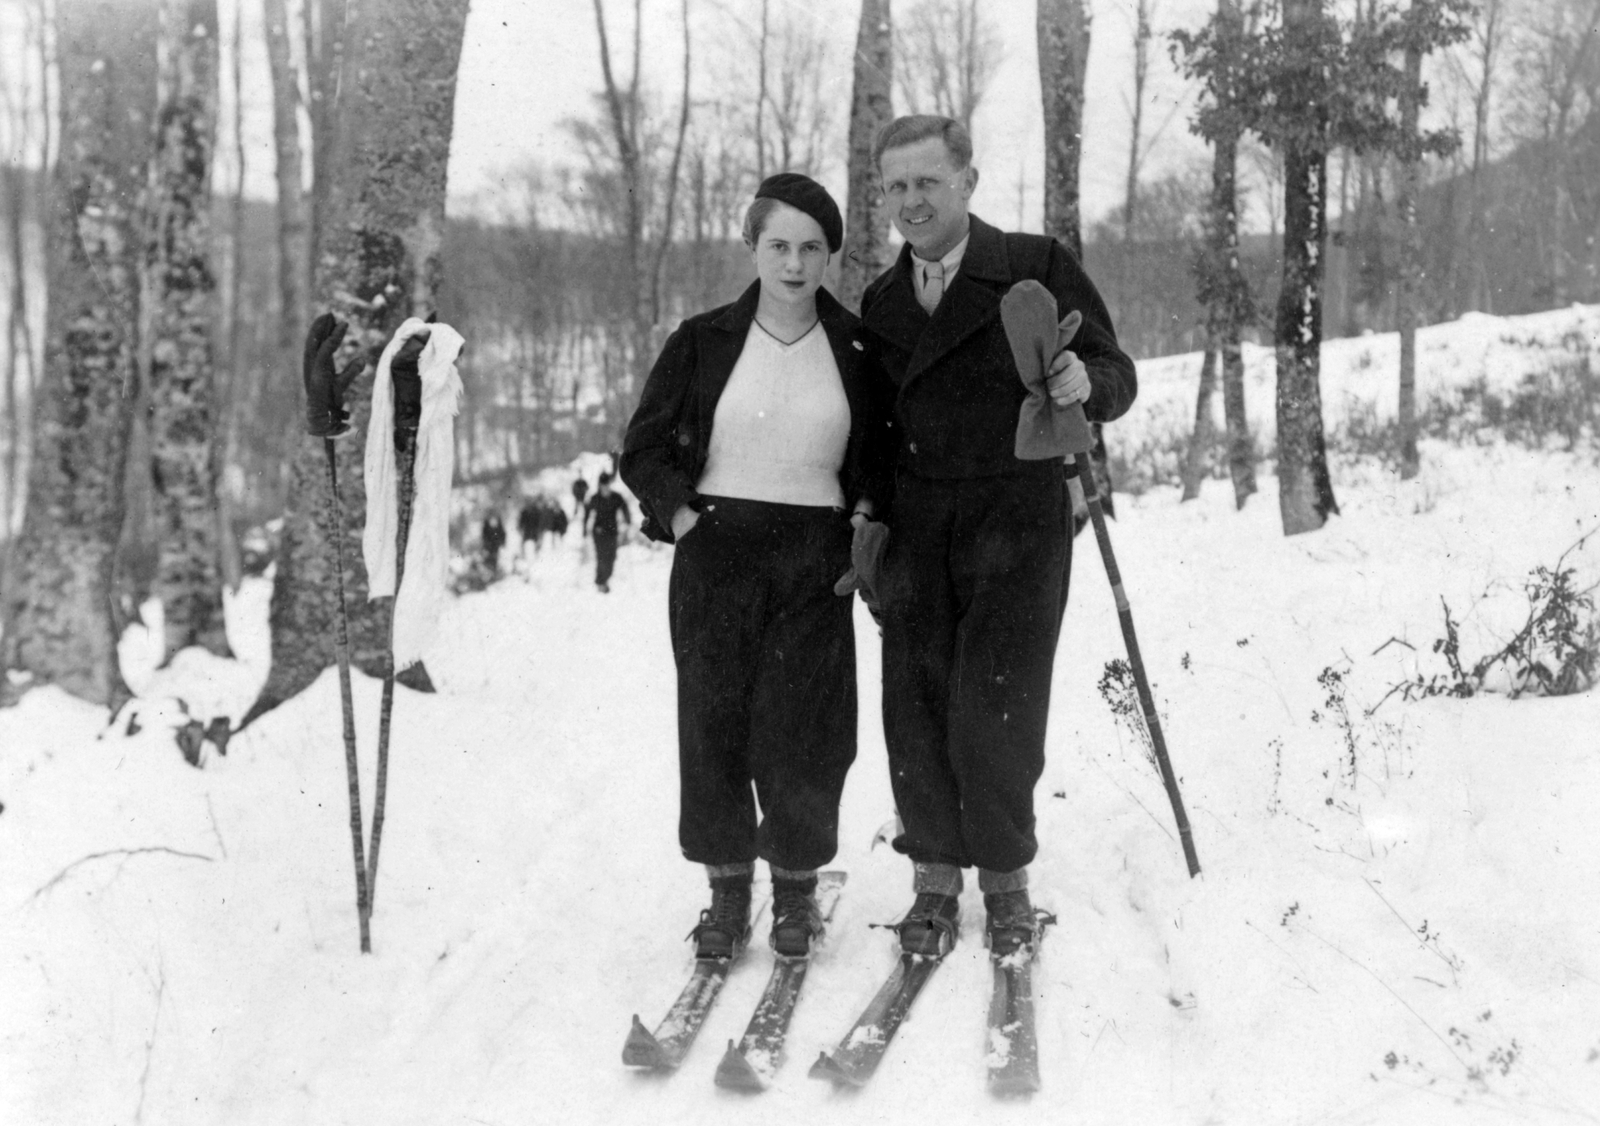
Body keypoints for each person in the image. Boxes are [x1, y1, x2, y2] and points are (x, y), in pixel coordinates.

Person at [858, 116, 1138, 959]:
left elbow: (1115, 376)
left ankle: (1008, 882)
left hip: (1016, 518)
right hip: (916, 525)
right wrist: (868, 516)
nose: (913, 201)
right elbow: (875, 431)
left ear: (968, 181)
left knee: (999, 702)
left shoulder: (1032, 266)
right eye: (898, 186)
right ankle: (935, 882)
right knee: (917, 704)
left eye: (929, 182)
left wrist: (1088, 380)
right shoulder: (881, 300)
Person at [621, 173, 893, 961]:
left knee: (804, 729)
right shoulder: (701, 340)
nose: (796, 263)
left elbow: (879, 457)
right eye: (779, 244)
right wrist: (681, 518)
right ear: (752, 246)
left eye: (813, 248)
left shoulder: (856, 347)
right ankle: (727, 892)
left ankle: (797, 892)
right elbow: (642, 447)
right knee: (714, 722)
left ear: (831, 257)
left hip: (815, 556)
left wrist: (866, 521)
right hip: (716, 550)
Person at [582, 473, 631, 592]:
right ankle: (600, 582)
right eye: (603, 485)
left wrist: (627, 521)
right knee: (602, 557)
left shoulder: (616, 497)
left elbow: (625, 507)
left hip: (612, 531)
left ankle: (604, 579)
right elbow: (587, 513)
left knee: (612, 557)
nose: (605, 487)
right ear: (599, 485)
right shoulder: (595, 498)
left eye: (607, 484)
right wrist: (584, 529)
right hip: (599, 532)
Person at [481, 511, 507, 577]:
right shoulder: (486, 527)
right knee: (488, 560)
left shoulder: (499, 527)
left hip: (496, 546)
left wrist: (502, 543)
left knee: (495, 559)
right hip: (488, 546)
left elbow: (503, 534)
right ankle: (489, 574)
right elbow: (484, 536)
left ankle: (494, 573)